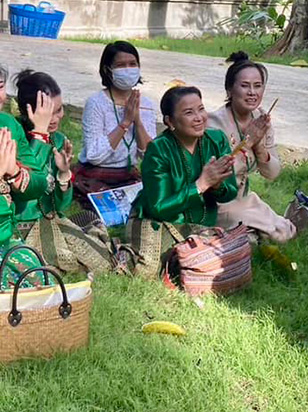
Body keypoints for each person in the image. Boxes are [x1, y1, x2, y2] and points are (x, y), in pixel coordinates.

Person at [12, 70, 112, 274]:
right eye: (49, 113)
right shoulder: (14, 139)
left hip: (49, 221)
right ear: (29, 112)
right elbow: (24, 191)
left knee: (99, 254)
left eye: (59, 110)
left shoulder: (57, 140)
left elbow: (60, 207)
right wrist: (38, 137)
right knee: (58, 259)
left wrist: (64, 175)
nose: (56, 118)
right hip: (20, 225)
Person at [206, 52, 295, 242]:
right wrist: (248, 143)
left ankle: (248, 233)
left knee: (285, 232)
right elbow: (220, 175)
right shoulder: (214, 125)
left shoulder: (261, 119)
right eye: (245, 86)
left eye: (258, 86)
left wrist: (260, 147)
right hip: (219, 203)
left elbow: (272, 174)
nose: (252, 92)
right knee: (271, 236)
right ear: (229, 91)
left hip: (245, 199)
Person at [131, 86, 238, 233]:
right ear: (170, 121)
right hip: (160, 226)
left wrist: (217, 186)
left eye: (201, 109)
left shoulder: (217, 139)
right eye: (189, 112)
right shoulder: (158, 149)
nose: (199, 117)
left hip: (205, 224)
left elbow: (231, 193)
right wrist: (201, 185)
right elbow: (158, 208)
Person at [73, 41, 157, 208]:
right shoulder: (96, 103)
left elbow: (150, 155)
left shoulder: (146, 103)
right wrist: (125, 122)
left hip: (127, 175)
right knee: (103, 205)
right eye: (120, 65)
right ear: (107, 70)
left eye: (132, 64)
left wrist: (137, 120)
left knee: (149, 202)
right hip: (95, 174)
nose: (128, 69)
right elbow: (94, 155)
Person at [0, 104, 49, 289]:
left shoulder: (7, 124)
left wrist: (14, 172)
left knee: (43, 290)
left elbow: (39, 182)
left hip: (5, 241)